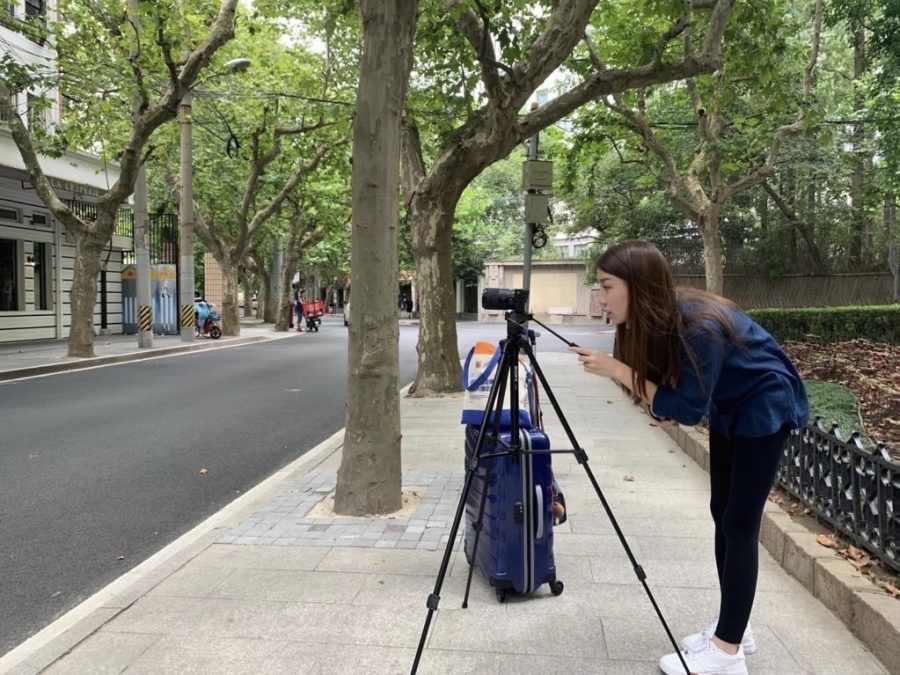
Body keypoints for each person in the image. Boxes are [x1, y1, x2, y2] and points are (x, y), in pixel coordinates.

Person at [570, 240, 808, 675]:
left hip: (765, 404)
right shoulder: (656, 318)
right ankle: (736, 628)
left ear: (637, 285)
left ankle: (727, 651)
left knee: (739, 524)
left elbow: (685, 409)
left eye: (606, 286)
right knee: (723, 513)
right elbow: (678, 397)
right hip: (731, 406)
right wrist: (659, 398)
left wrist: (619, 371)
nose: (600, 297)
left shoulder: (698, 325)